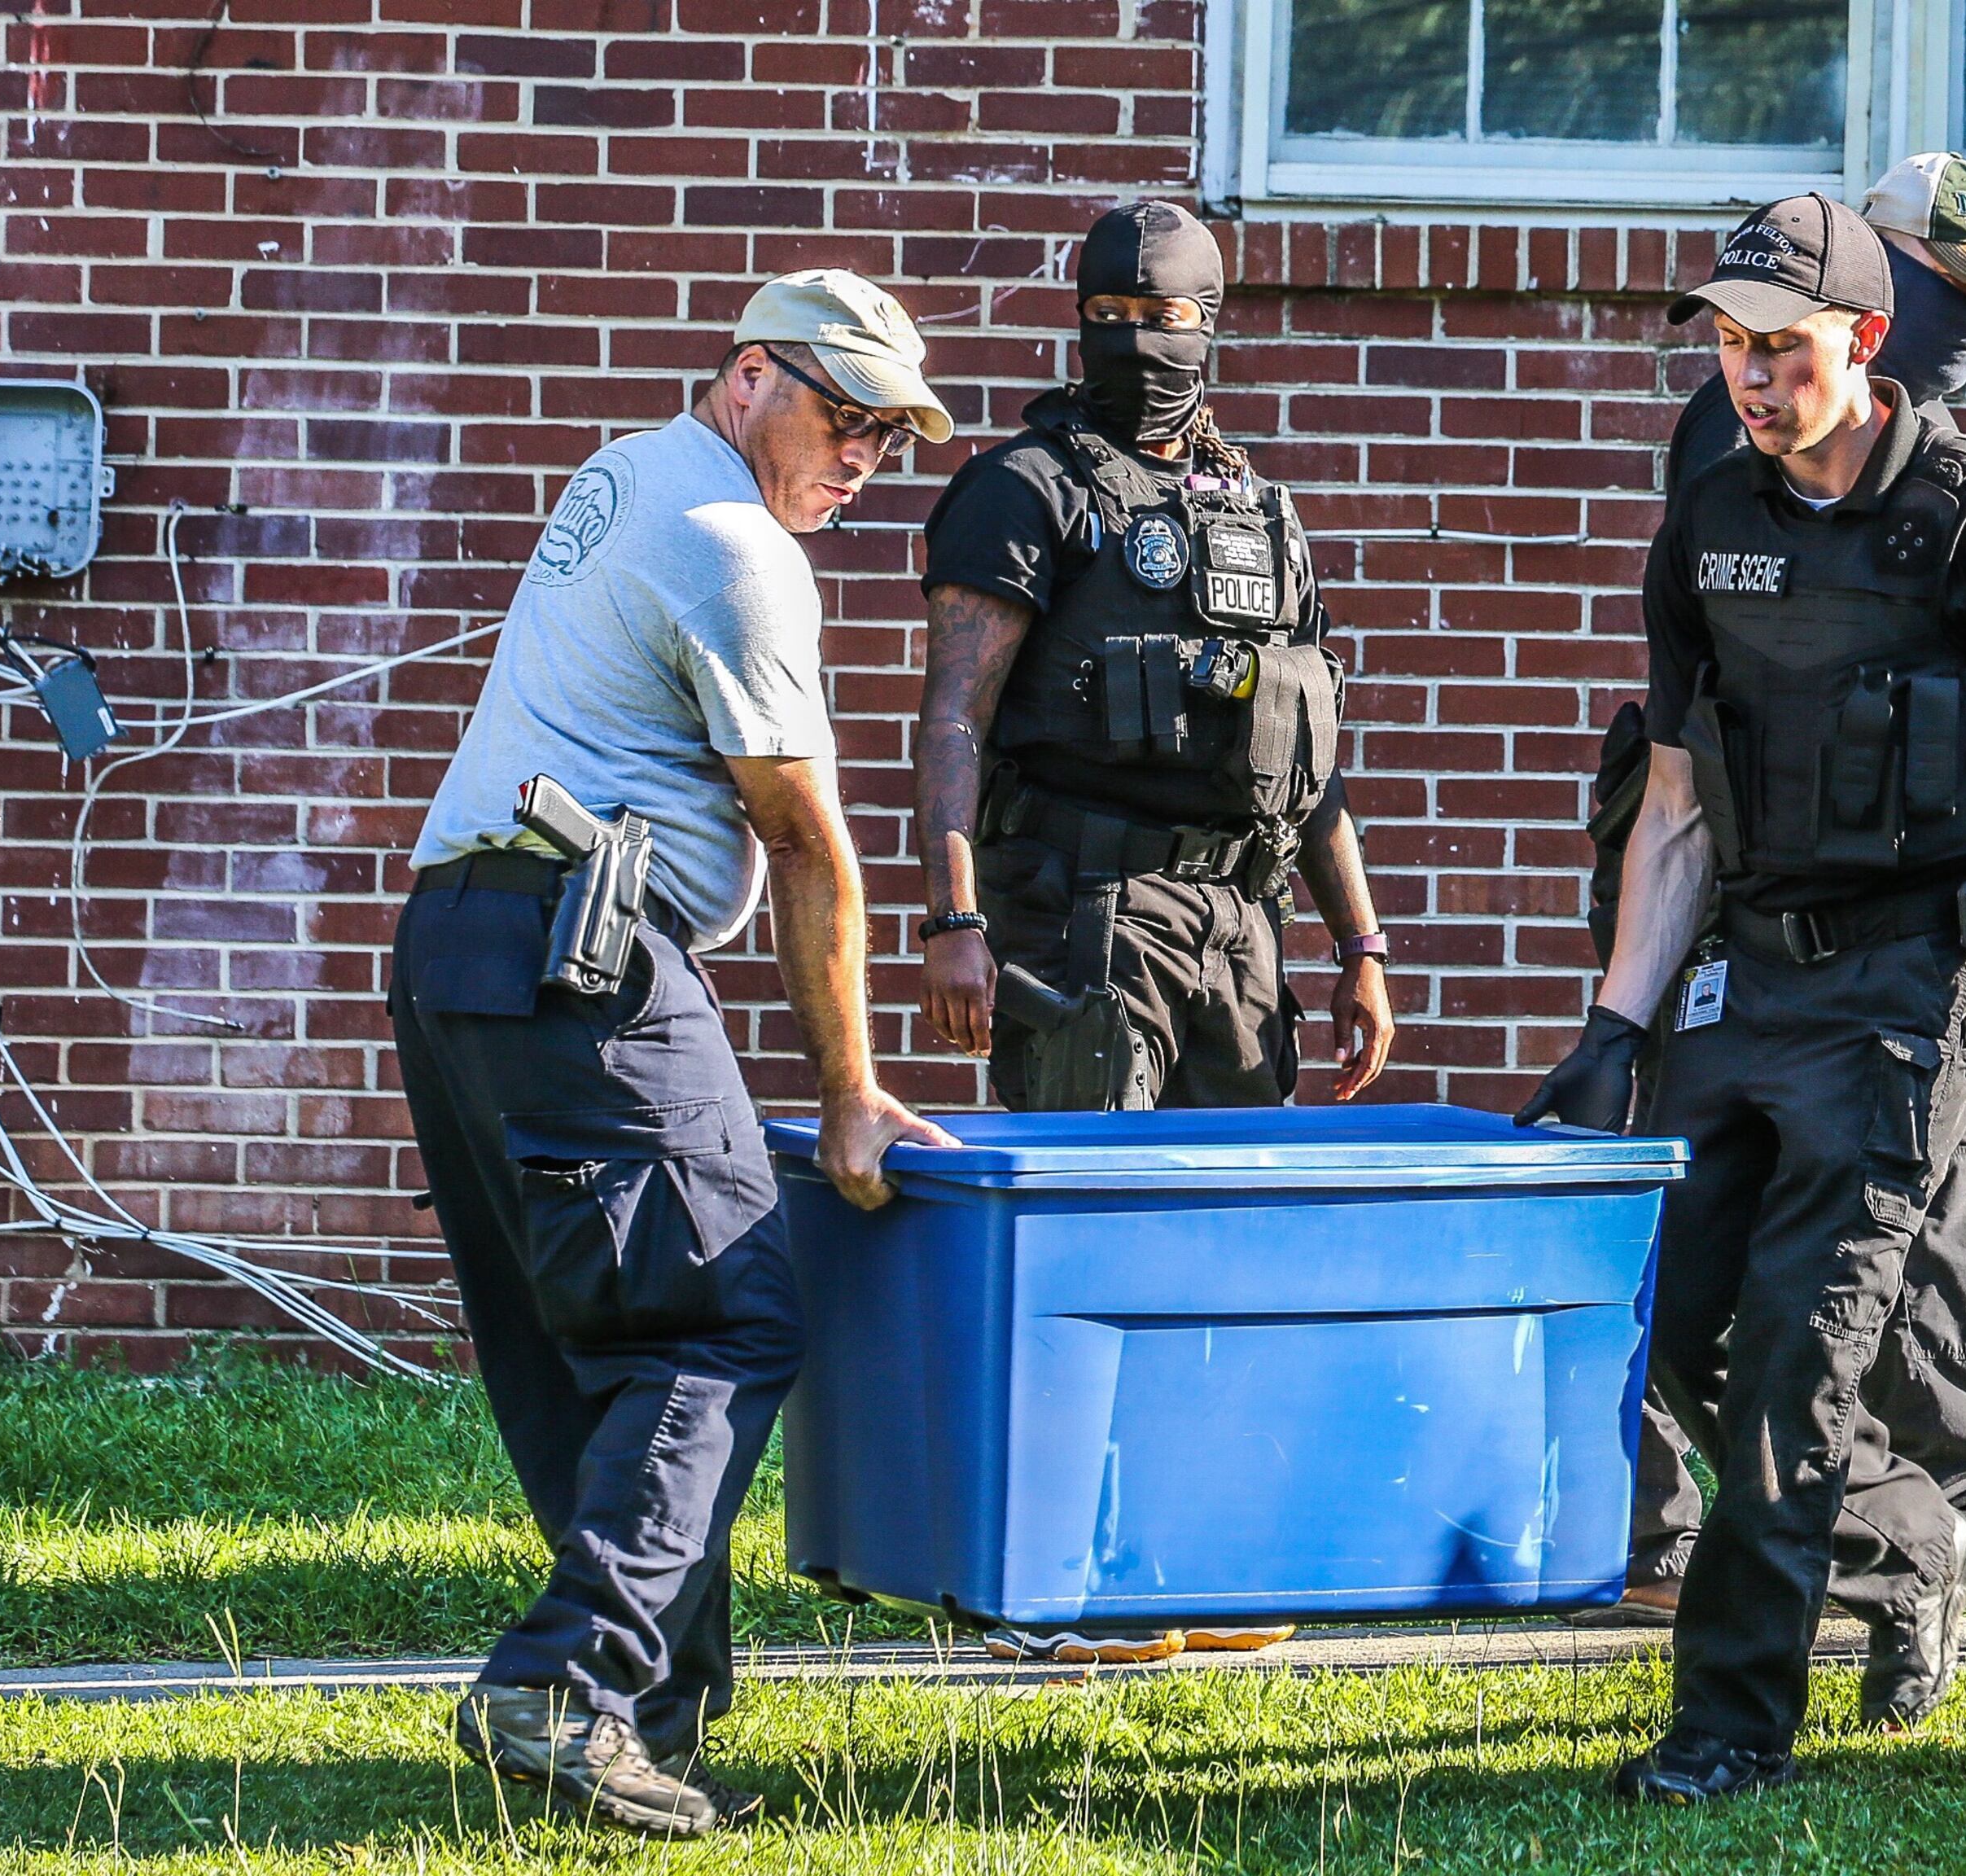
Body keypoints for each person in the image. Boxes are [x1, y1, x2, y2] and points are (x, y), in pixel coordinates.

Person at [1523, 195, 1966, 1801]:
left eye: (1781, 347)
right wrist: (1614, 1026)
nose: (1748, 374)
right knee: (1657, 1330)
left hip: (1905, 985)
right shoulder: (1710, 519)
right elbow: (1673, 800)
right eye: (1730, 343)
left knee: (1807, 1352)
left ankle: (1729, 1722)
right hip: (1744, 973)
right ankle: (1919, 1536)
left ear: (1866, 345)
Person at [391, 270, 961, 1834]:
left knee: (595, 1344)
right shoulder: (735, 551)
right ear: (748, 377)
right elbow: (807, 843)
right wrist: (850, 1094)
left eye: (886, 435)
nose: (861, 456)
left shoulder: (626, 468)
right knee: (724, 1321)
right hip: (580, 951)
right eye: (841, 415)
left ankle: (647, 1716)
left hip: (455, 944)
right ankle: (568, 1689)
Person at [911, 199, 1395, 1667]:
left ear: (1210, 323)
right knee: (1089, 1250)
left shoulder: (1259, 510)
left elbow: (1306, 763)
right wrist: (952, 916)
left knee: (1225, 1251)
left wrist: (1359, 948)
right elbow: (950, 717)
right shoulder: (1022, 491)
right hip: (1082, 913)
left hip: (1237, 924)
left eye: (1165, 321)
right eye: (1110, 321)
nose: (1139, 346)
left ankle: (1199, 1562)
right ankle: (1063, 1579)